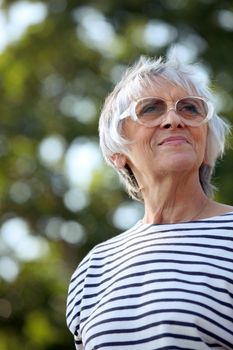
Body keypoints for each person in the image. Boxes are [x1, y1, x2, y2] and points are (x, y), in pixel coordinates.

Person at [66, 53, 233, 350]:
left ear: (207, 144)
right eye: (151, 109)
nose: (173, 119)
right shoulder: (93, 269)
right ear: (118, 152)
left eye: (190, 109)